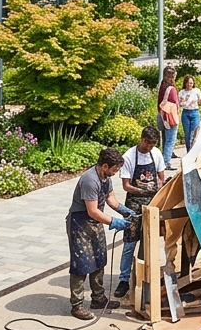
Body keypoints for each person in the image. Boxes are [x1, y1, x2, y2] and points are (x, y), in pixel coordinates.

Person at [66, 147, 129, 320]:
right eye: (114, 170)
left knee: (99, 258)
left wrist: (125, 211)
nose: (115, 173)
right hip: (80, 223)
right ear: (105, 166)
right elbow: (93, 211)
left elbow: (110, 199)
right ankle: (77, 305)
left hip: (94, 222)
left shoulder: (105, 177)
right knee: (82, 263)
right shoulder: (90, 180)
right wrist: (114, 222)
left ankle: (98, 298)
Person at [115, 127, 165, 298]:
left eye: (153, 144)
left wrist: (158, 187)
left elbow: (161, 176)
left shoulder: (156, 153)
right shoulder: (129, 156)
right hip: (134, 205)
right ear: (142, 139)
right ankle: (123, 280)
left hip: (152, 204)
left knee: (148, 242)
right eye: (148, 143)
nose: (150, 147)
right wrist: (143, 191)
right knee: (130, 243)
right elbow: (126, 185)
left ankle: (145, 277)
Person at [156, 67, 180, 170]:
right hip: (170, 117)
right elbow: (174, 102)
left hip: (162, 116)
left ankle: (162, 161)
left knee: (165, 140)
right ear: (172, 76)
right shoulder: (171, 88)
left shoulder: (162, 86)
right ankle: (166, 162)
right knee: (170, 140)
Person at [178, 74, 201, 151]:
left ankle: (194, 150)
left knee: (194, 132)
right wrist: (185, 100)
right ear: (185, 83)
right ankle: (188, 150)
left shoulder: (196, 91)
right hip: (186, 112)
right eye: (188, 83)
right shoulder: (182, 92)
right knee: (187, 134)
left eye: (191, 83)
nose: (189, 85)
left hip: (195, 112)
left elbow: (200, 100)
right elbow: (180, 103)